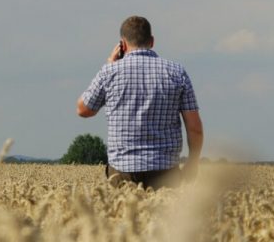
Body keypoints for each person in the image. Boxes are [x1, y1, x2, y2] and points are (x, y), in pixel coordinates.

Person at [76, 16, 203, 189]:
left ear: (123, 45)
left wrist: (109, 64)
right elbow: (194, 127)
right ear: (152, 42)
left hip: (121, 171)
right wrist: (193, 162)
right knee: (164, 216)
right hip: (165, 171)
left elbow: (84, 110)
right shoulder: (177, 72)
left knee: (122, 216)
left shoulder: (109, 72)